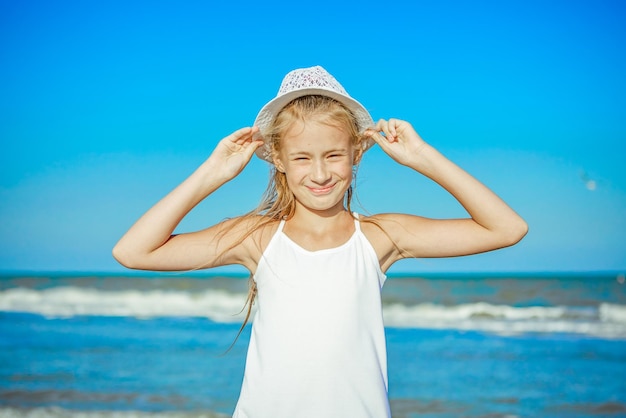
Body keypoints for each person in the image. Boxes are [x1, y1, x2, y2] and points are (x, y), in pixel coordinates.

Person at [113, 65, 528, 418]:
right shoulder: (257, 238)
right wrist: (212, 173)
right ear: (278, 159)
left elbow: (506, 229)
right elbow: (133, 252)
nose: (320, 173)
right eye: (302, 158)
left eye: (333, 155)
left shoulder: (380, 237)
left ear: (356, 154)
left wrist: (423, 157)